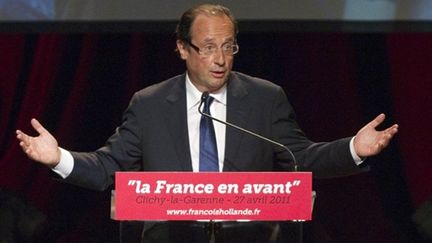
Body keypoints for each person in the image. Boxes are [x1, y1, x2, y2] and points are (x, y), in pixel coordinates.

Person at [16, 3, 399, 243]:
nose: (221, 59)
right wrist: (58, 158)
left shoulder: (265, 98)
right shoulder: (149, 104)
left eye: (229, 46)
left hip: (250, 237)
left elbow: (300, 156)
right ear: (182, 48)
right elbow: (108, 168)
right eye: (209, 47)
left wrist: (353, 149)